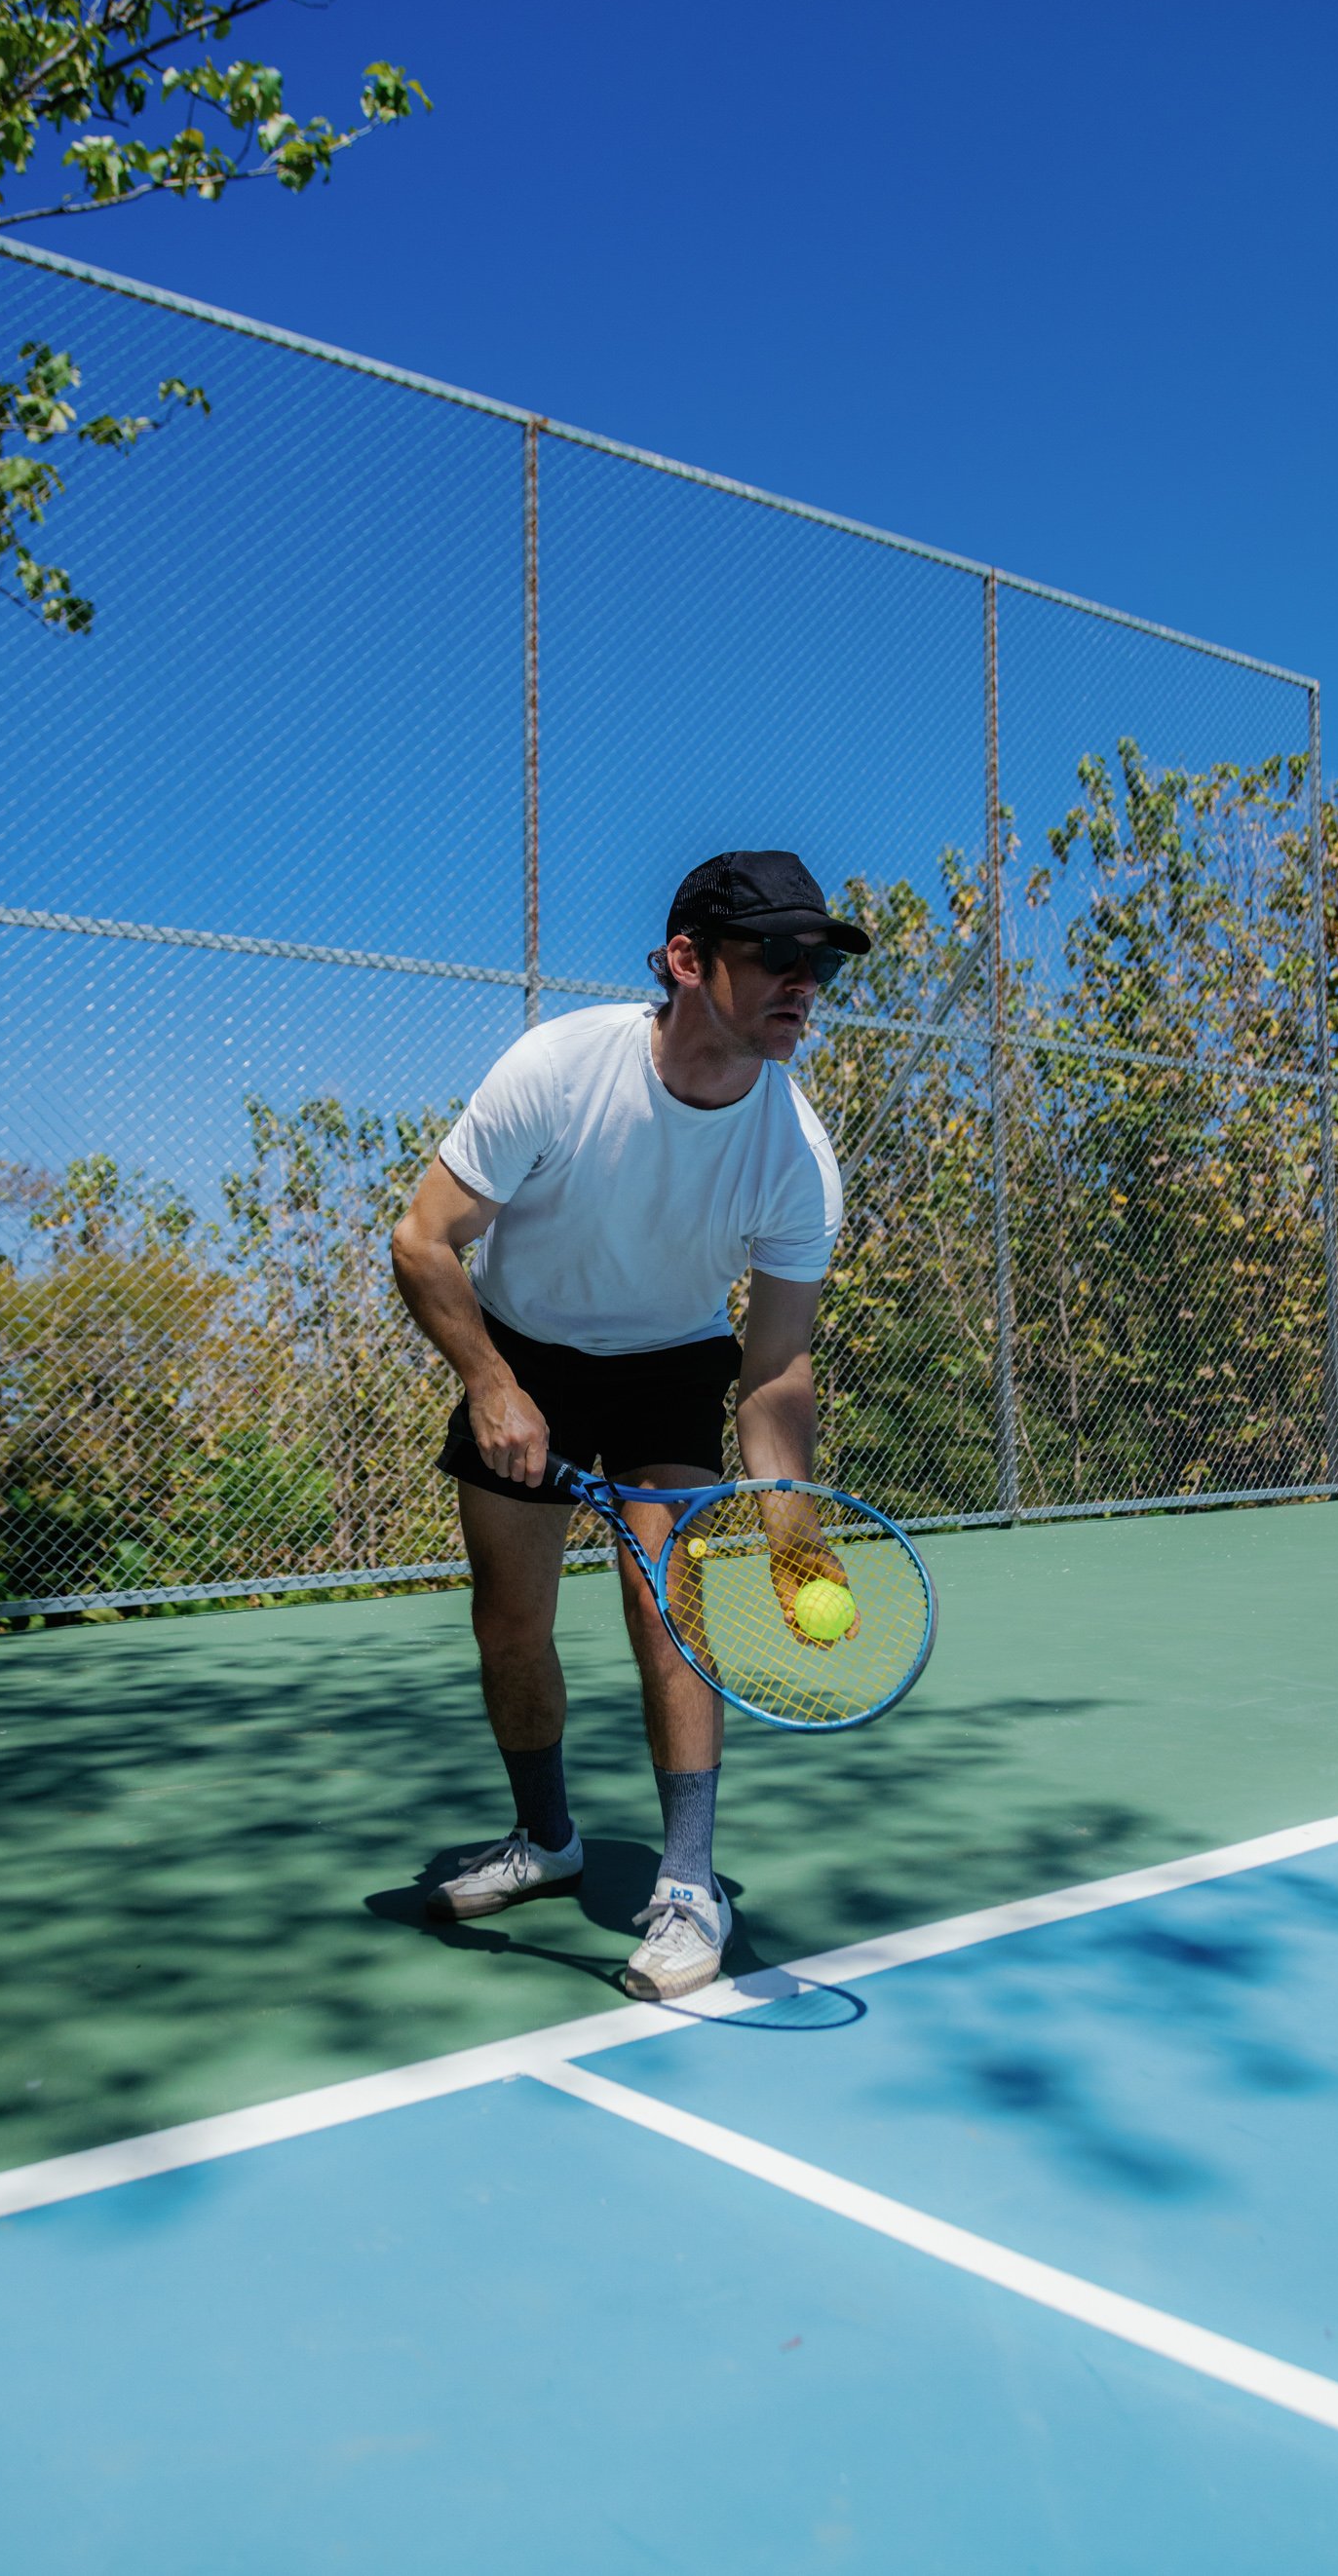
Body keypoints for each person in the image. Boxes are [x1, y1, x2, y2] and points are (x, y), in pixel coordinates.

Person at [390, 850, 867, 1999]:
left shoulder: (797, 1156)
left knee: (673, 1614)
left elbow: (773, 1365)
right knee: (508, 1625)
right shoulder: (558, 1070)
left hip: (669, 1361)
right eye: (778, 958)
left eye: (820, 966)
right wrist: (494, 1386)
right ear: (688, 962)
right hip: (526, 1344)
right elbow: (421, 1240)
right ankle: (546, 1840)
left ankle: (690, 1883)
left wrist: (793, 1536)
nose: (805, 983)